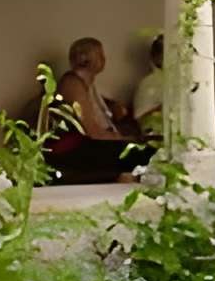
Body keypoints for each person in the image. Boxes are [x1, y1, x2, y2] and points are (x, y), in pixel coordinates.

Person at [38, 36, 154, 182]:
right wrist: (123, 139)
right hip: (74, 148)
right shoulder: (72, 83)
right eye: (99, 54)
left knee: (147, 152)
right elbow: (91, 130)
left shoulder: (87, 84)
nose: (104, 58)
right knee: (143, 154)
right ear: (84, 58)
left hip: (90, 144)